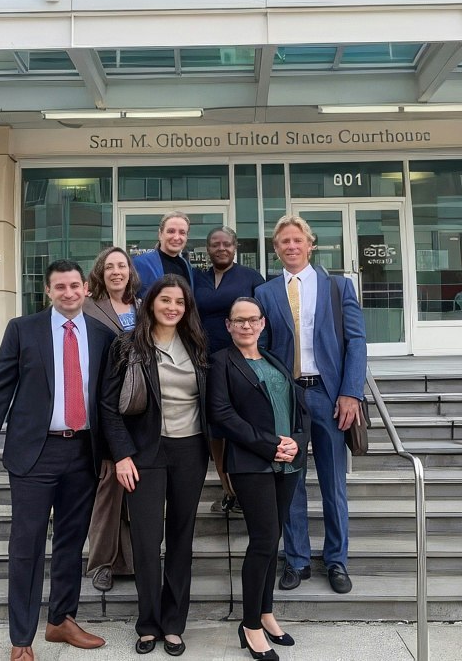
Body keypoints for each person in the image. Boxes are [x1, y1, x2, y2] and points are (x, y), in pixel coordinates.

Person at [0, 260, 115, 661]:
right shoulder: (23, 330)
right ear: (48, 292)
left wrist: (117, 452)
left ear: (86, 289)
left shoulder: (102, 335)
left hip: (83, 452)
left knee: (71, 541)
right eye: (60, 287)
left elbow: (107, 400)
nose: (68, 293)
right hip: (35, 453)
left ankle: (61, 620)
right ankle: (21, 638)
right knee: (27, 545)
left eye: (74, 285)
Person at [255, 215, 367, 596]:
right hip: (287, 397)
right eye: (284, 241)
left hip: (329, 395)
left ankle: (336, 560)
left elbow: (356, 341)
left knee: (334, 483)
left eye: (297, 240)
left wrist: (351, 392)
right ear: (276, 249)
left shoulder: (338, 286)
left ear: (310, 244)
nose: (291, 246)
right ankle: (297, 559)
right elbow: (261, 348)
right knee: (291, 481)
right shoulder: (265, 292)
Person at [100, 274, 209, 656]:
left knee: (181, 538)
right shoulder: (128, 345)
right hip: (145, 452)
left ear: (187, 307)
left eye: (179, 302)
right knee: (147, 541)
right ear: (150, 303)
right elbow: (108, 406)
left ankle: (174, 623)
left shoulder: (197, 344)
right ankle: (148, 624)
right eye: (166, 300)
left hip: (190, 450)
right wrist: (121, 455)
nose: (172, 307)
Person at [208, 296, 309, 661]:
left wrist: (297, 442)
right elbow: (222, 414)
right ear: (229, 326)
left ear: (263, 324)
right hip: (251, 463)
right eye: (239, 320)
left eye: (253, 319)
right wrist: (269, 446)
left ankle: (266, 613)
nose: (247, 325)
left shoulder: (273, 359)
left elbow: (298, 407)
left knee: (273, 538)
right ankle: (250, 625)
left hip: (288, 462)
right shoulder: (221, 362)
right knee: (263, 540)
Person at [192, 226, 266, 511]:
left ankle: (246, 490)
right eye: (215, 244)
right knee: (215, 428)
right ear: (207, 249)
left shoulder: (251, 278)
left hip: (241, 364)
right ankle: (228, 490)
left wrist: (259, 358)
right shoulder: (197, 278)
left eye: (226, 244)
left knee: (242, 423)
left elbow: (263, 320)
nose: (221, 248)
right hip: (204, 364)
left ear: (235, 247)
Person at [82, 246, 141, 592]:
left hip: (139, 409)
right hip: (103, 407)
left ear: (130, 271)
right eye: (109, 267)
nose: (116, 272)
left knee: (134, 490)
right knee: (109, 492)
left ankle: (130, 560)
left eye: (122, 265)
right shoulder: (89, 307)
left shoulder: (142, 306)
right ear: (100, 274)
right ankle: (102, 563)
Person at [132, 212, 194, 297]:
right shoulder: (139, 264)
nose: (176, 237)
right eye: (171, 231)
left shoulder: (186, 265)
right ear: (160, 234)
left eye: (182, 232)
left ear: (187, 237)